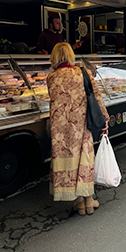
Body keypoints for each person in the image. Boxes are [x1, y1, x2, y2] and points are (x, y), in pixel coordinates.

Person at [47, 43, 109, 215]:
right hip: (81, 123)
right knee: (85, 159)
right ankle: (89, 201)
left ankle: (79, 202)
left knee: (68, 160)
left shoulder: (51, 77)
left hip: (60, 128)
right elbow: (96, 96)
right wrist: (105, 119)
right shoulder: (83, 73)